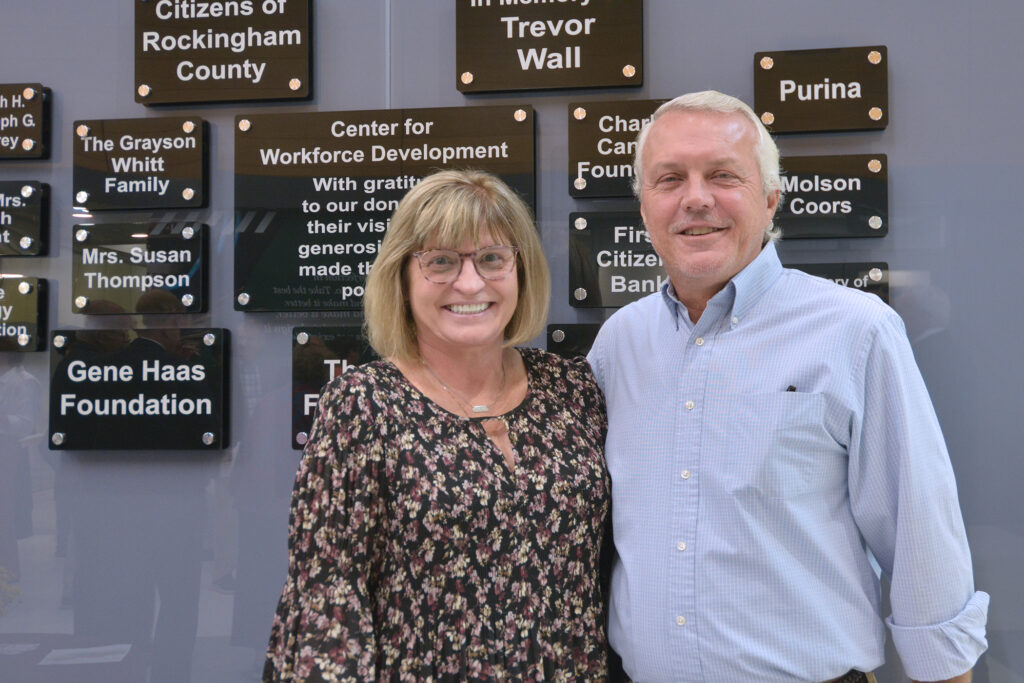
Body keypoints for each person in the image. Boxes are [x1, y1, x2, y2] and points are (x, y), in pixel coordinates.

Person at [587, 91, 989, 683]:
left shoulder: (855, 330)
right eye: (669, 179)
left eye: (723, 175)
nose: (695, 199)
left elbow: (919, 532)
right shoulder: (618, 344)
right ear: (644, 208)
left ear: (771, 199)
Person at [264, 169, 611, 681]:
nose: (470, 283)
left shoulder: (570, 388)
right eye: (441, 261)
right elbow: (327, 600)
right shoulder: (363, 405)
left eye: (492, 258)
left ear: (522, 271)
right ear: (402, 276)